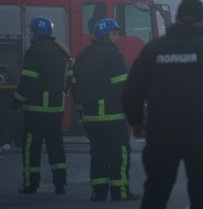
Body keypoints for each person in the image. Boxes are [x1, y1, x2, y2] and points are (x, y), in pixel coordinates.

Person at [122, 0, 203, 209]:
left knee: (156, 190)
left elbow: (132, 89)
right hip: (200, 135)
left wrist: (136, 121)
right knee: (201, 192)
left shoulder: (154, 49)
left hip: (161, 132)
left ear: (177, 19)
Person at [71, 18, 139, 201]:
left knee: (98, 153)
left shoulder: (83, 55)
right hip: (113, 115)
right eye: (115, 34)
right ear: (107, 35)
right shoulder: (113, 55)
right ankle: (120, 191)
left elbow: (74, 85)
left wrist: (80, 111)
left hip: (90, 117)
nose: (117, 37)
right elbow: (122, 87)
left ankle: (98, 191)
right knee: (120, 153)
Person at [11, 17, 70, 194]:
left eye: (32, 31)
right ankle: (60, 184)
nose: (30, 34)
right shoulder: (62, 51)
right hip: (56, 109)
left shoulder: (34, 52)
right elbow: (69, 79)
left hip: (35, 110)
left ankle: (30, 183)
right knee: (56, 147)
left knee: (31, 148)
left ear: (37, 32)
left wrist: (15, 102)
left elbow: (27, 81)